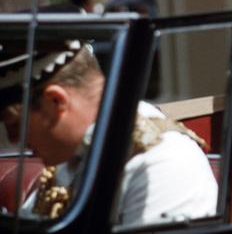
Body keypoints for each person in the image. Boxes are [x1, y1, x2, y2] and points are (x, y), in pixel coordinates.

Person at [0, 41, 218, 225]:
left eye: (15, 126)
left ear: (56, 101)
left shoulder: (161, 163)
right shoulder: (70, 156)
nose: (14, 140)